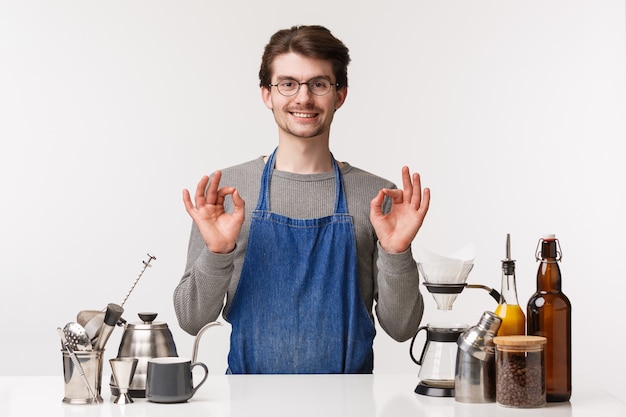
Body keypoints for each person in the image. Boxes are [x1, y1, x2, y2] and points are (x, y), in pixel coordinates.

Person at [173, 25, 430, 374]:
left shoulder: (379, 198)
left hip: (350, 404)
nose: (303, 98)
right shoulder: (226, 194)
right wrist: (217, 253)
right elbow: (191, 320)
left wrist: (398, 253)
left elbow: (402, 329)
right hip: (249, 402)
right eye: (288, 83)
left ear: (340, 95)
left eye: (319, 84)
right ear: (267, 94)